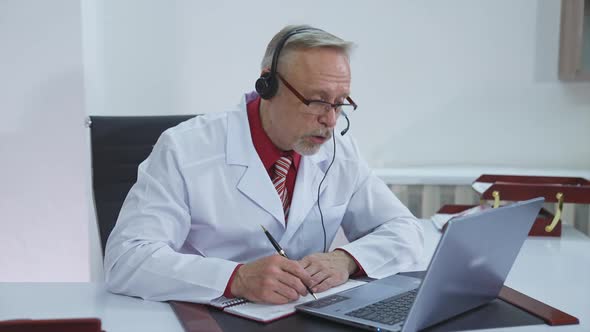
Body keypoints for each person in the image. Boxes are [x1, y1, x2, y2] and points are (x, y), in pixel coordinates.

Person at [104, 24, 424, 305]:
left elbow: (405, 231)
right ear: (267, 86)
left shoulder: (340, 149)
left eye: (341, 102)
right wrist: (235, 278)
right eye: (316, 100)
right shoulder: (185, 149)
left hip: (299, 315)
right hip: (205, 315)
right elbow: (126, 260)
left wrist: (346, 259)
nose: (330, 119)